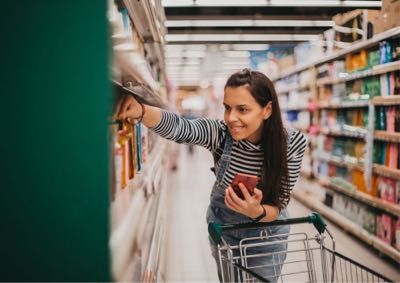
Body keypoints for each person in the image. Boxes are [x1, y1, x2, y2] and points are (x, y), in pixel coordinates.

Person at [116, 68, 307, 282]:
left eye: (242, 109)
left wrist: (256, 211)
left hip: (267, 234)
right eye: (227, 108)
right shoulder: (220, 133)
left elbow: (279, 202)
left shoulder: (291, 144)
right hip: (226, 230)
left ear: (267, 110)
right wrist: (141, 111)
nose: (231, 118)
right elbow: (182, 128)